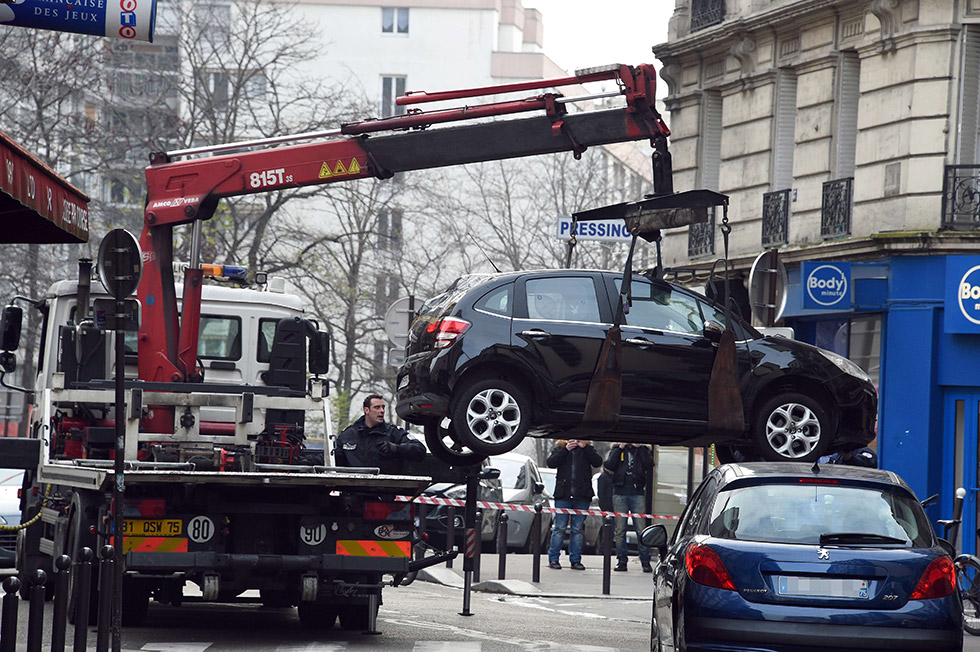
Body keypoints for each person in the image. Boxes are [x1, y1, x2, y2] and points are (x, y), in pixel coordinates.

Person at [546, 439, 603, 570]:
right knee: (559, 528)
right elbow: (551, 463)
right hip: (563, 494)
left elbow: (597, 462)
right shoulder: (560, 448)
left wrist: (585, 448)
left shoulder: (588, 449)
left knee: (577, 529)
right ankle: (553, 559)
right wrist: (566, 449)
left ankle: (575, 560)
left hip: (582, 495)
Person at [335, 394, 425, 473]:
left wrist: (396, 449)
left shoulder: (393, 432)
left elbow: (420, 450)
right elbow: (333, 458)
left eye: (383, 407)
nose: (382, 411)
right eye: (377, 407)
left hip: (385, 490)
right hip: (354, 490)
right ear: (366, 410)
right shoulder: (348, 435)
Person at [604, 442, 654, 572]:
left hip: (637, 492)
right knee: (620, 530)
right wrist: (619, 448)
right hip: (620, 491)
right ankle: (621, 561)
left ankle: (645, 561)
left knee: (641, 529)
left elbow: (649, 465)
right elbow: (609, 465)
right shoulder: (617, 449)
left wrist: (640, 449)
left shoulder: (642, 449)